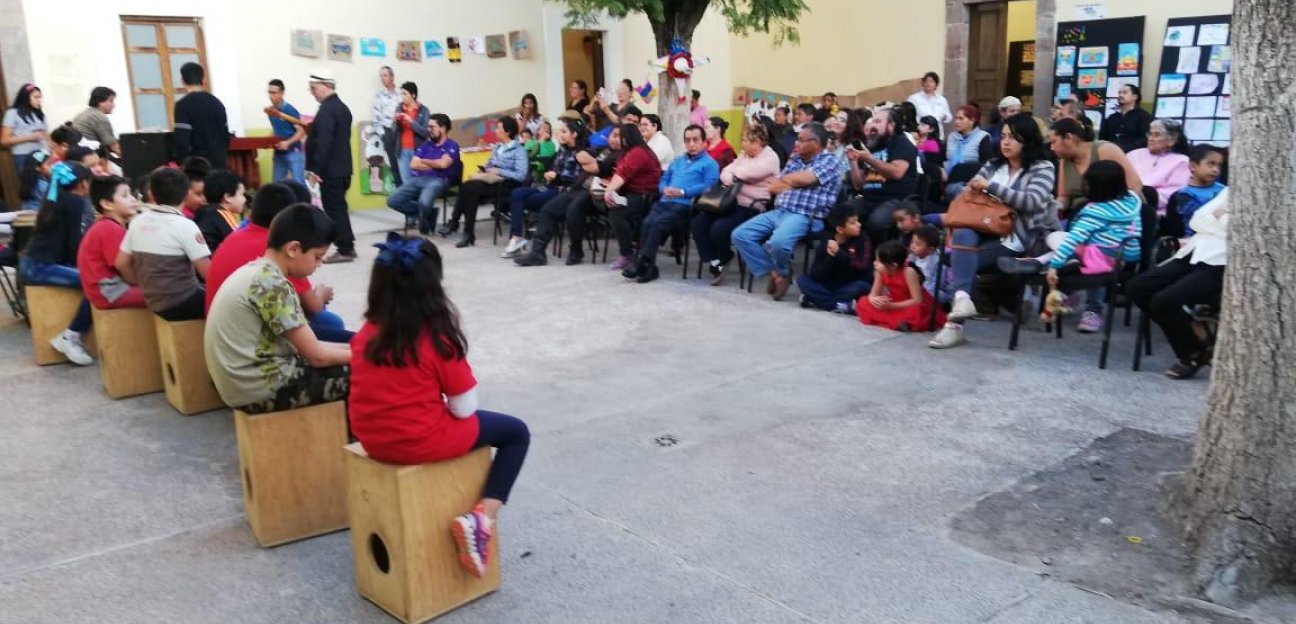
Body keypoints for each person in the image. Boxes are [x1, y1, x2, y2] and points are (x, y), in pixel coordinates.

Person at [348, 234, 530, 578]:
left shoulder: (365, 333)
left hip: (372, 438)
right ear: (433, 287)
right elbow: (464, 408)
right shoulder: (436, 336)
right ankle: (483, 519)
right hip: (419, 441)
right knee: (515, 433)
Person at [928, 113, 1061, 349]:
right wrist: (990, 191)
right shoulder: (993, 164)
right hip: (984, 228)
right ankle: (962, 305)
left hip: (1022, 236)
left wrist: (991, 187)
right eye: (1004, 137)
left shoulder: (1043, 167)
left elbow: (1031, 201)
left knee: (961, 259)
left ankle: (955, 323)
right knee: (963, 234)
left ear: (1029, 141)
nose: (1006, 142)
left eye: (1014, 138)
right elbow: (970, 193)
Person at [205, 204, 350, 414]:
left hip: (241, 383)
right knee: (365, 373)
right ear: (293, 249)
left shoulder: (256, 271)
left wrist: (358, 348)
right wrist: (366, 357)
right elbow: (316, 356)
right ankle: (346, 444)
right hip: (260, 389)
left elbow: (310, 346)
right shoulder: (272, 285)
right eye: (317, 256)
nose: (319, 264)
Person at [206, 183, 352, 343]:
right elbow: (312, 309)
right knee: (334, 324)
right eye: (317, 256)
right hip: (247, 343)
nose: (320, 263)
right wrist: (321, 294)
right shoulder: (277, 256)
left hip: (228, 334)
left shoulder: (239, 235)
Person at [1049, 116, 1144, 333]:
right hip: (1082, 215)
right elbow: (1064, 196)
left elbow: (1134, 185)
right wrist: (1052, 207)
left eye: (1054, 141)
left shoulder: (1104, 150)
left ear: (1069, 138)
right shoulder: (1064, 160)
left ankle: (1092, 307)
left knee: (1090, 242)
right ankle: (1062, 289)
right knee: (1054, 229)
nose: (1052, 147)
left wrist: (1108, 212)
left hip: (1114, 215)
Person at [732, 122, 845, 300]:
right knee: (740, 235)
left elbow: (805, 178)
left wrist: (792, 181)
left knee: (778, 243)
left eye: (800, 140)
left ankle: (782, 271)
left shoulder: (829, 161)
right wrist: (797, 182)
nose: (795, 144)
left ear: (815, 143)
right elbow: (774, 187)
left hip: (805, 215)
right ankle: (778, 274)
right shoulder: (796, 160)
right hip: (780, 211)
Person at [1127, 189, 1228, 380]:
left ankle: (1190, 355)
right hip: (1193, 251)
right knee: (1138, 288)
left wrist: (1218, 219)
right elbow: (1197, 220)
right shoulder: (1231, 190)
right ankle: (1197, 336)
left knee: (1164, 301)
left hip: (1222, 262)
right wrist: (1221, 221)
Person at [999, 160, 1142, 279]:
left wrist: (1055, 266)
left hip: (1101, 258)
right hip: (1127, 258)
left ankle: (1060, 261)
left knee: (1055, 237)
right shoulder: (1131, 203)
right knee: (1066, 246)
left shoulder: (1097, 212)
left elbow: (1074, 239)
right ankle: (1038, 262)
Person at [622, 124, 719, 283]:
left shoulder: (709, 164)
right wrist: (664, 189)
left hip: (687, 205)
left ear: (704, 142)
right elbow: (664, 179)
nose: (692, 144)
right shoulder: (678, 161)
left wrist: (682, 192)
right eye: (688, 140)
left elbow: (709, 186)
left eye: (696, 140)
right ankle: (649, 268)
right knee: (647, 222)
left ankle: (642, 263)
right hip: (666, 201)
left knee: (658, 224)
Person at [20, 162, 96, 364]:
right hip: (41, 268)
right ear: (82, 184)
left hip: (32, 264)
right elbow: (74, 242)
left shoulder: (54, 198)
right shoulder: (75, 201)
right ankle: (70, 336)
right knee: (96, 283)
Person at [115, 167, 212, 321]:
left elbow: (121, 264)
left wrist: (144, 286)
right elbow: (209, 274)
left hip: (152, 301)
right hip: (183, 301)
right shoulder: (185, 225)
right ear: (187, 195)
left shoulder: (137, 221)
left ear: (152, 195)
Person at [695, 123, 781, 286]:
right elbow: (726, 172)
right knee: (699, 223)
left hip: (752, 206)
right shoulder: (744, 156)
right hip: (729, 201)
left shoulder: (770, 158)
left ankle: (724, 256)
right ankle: (715, 260)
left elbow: (746, 173)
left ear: (757, 143)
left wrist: (736, 175)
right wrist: (736, 176)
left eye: (746, 141)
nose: (742, 144)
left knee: (719, 228)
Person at [500, 118, 588, 258]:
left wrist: (556, 176)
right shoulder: (562, 150)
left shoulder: (581, 153)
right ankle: (517, 237)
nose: (560, 134)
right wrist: (549, 173)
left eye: (564, 132)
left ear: (574, 134)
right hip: (548, 187)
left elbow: (576, 180)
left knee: (526, 200)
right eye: (559, 131)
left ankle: (526, 242)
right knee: (517, 193)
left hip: (560, 191)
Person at [443, 117, 528, 248]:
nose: (496, 130)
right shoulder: (498, 147)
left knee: (469, 188)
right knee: (468, 188)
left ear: (508, 131)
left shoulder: (519, 150)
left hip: (507, 185)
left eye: (499, 128)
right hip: (491, 182)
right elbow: (489, 164)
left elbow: (521, 175)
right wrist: (485, 169)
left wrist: (499, 171)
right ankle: (466, 232)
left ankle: (457, 224)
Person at [842, 107, 920, 246]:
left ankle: (876, 259)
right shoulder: (873, 144)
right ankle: (850, 258)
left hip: (894, 199)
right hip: (868, 198)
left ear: (891, 125)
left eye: (878, 122)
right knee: (841, 215)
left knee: (876, 222)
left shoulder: (902, 143)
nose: (872, 126)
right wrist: (853, 161)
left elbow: (897, 172)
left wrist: (869, 159)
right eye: (872, 121)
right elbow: (858, 184)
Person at [304, 69, 356, 263]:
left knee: (335, 210)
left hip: (330, 171)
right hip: (341, 169)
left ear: (326, 86)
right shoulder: (342, 107)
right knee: (339, 208)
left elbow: (324, 142)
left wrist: (316, 169)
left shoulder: (327, 110)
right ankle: (347, 245)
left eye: (314, 88)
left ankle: (345, 248)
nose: (312, 92)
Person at [386, 113, 462, 237]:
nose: (428, 130)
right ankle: (428, 214)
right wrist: (434, 163)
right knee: (392, 200)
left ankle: (425, 215)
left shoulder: (452, 145)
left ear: (442, 128)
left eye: (432, 127)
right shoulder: (426, 145)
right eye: (428, 127)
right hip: (420, 179)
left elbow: (443, 165)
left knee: (424, 202)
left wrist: (425, 161)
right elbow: (413, 165)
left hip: (439, 180)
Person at [78, 175, 145, 311]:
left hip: (109, 290)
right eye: (125, 195)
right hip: (111, 292)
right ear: (107, 204)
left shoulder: (107, 224)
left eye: (131, 194)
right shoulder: (109, 228)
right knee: (167, 295)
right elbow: (124, 266)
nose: (133, 199)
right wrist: (139, 284)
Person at [602, 123, 663, 270]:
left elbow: (623, 173)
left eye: (621, 137)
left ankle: (627, 254)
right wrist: (610, 186)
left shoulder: (638, 152)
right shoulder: (629, 152)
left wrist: (608, 191)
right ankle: (631, 247)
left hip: (645, 196)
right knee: (601, 204)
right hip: (631, 193)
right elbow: (619, 172)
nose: (619, 141)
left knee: (616, 213)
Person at [795, 204, 871, 313]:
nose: (859, 225)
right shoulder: (826, 242)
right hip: (828, 284)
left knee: (863, 286)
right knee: (802, 280)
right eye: (853, 223)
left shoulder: (863, 239)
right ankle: (842, 305)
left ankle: (815, 300)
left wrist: (839, 253)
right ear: (840, 229)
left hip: (850, 283)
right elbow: (815, 274)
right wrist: (830, 257)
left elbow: (863, 267)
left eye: (858, 221)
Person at [858, 240, 944, 332]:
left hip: (908, 303)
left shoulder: (909, 272)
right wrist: (874, 299)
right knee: (863, 302)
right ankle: (897, 321)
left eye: (879, 261)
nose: (874, 263)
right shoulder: (880, 272)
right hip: (892, 301)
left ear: (893, 266)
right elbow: (873, 293)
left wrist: (891, 306)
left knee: (915, 311)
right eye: (875, 260)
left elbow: (917, 301)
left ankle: (899, 321)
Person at [1126, 119, 1190, 213]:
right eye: (1150, 134)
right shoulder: (1134, 154)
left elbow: (1173, 194)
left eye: (1156, 135)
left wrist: (1141, 198)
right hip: (1126, 204)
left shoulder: (1181, 161)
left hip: (1156, 211)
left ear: (1172, 139)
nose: (1150, 138)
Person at [172, 63, 229, 169]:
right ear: (203, 80)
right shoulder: (217, 103)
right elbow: (225, 135)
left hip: (197, 167)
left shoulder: (182, 105)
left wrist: (181, 161)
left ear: (182, 81)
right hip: (219, 162)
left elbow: (182, 140)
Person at [1169, 145, 1226, 237]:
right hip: (1198, 239)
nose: (1216, 170)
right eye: (1211, 164)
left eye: (1219, 166)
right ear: (1193, 166)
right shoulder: (1185, 195)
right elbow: (1202, 218)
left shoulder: (1224, 190)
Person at [942, 104, 993, 201]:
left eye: (961, 119)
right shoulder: (952, 137)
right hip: (948, 177)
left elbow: (986, 165)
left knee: (956, 190)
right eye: (956, 118)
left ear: (972, 120)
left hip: (969, 180)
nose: (957, 121)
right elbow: (942, 158)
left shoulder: (983, 137)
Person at [386, 82, 431, 187]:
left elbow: (425, 132)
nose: (402, 97)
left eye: (405, 94)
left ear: (413, 95)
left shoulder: (424, 110)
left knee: (419, 181)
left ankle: (420, 203)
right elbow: (394, 131)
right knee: (406, 182)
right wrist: (395, 122)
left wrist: (410, 121)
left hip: (418, 152)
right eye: (401, 94)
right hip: (402, 151)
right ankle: (411, 203)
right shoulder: (399, 108)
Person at [192, 169, 246, 253]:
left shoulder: (202, 212)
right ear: (228, 197)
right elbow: (241, 243)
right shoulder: (223, 214)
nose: (245, 199)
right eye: (242, 194)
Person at [264, 79, 307, 184]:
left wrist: (287, 143)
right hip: (279, 154)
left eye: (274, 93)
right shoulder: (271, 111)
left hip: (294, 153)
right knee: (276, 186)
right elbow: (277, 130)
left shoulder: (290, 110)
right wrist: (266, 141)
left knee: (299, 184)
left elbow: (302, 132)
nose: (271, 95)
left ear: (282, 93)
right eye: (269, 92)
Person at [1, 83, 46, 173]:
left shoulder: (39, 114)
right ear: (25, 97)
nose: (39, 101)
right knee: (32, 185)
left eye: (40, 97)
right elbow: (4, 140)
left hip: (42, 154)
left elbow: (46, 137)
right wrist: (30, 137)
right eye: (36, 97)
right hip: (23, 156)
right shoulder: (12, 113)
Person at [1100, 84, 1154, 153]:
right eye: (1119, 93)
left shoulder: (1144, 116)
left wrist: (1124, 149)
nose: (1120, 95)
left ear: (1135, 97)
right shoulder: (1111, 118)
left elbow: (1145, 140)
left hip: (1134, 155)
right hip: (1111, 154)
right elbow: (1102, 139)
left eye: (1125, 92)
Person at [72, 86, 119, 156]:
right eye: (111, 101)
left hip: (78, 154)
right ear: (100, 102)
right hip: (90, 156)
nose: (113, 105)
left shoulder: (85, 113)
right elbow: (113, 146)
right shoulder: (99, 117)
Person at [907, 72, 952, 137]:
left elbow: (949, 116)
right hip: (921, 134)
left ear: (936, 84)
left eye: (931, 81)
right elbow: (909, 117)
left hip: (938, 134)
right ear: (923, 83)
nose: (928, 84)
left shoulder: (942, 100)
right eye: (926, 81)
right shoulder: (914, 98)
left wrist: (945, 117)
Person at [908, 225, 943, 299]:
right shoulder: (912, 256)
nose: (912, 246)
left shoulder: (936, 262)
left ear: (930, 249)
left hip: (931, 289)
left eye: (917, 244)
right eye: (912, 242)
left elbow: (934, 284)